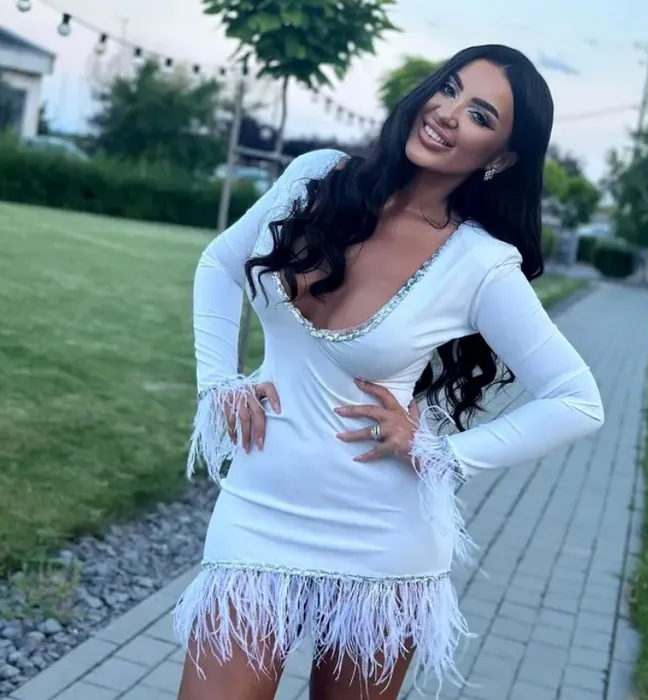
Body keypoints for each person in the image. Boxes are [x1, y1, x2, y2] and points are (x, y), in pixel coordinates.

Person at [175, 44, 604, 700]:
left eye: (480, 114)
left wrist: (439, 453)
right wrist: (218, 380)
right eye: (449, 89)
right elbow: (219, 263)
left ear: (500, 158)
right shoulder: (317, 178)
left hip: (381, 540)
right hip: (257, 508)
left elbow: (577, 399)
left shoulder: (480, 263)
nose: (448, 113)